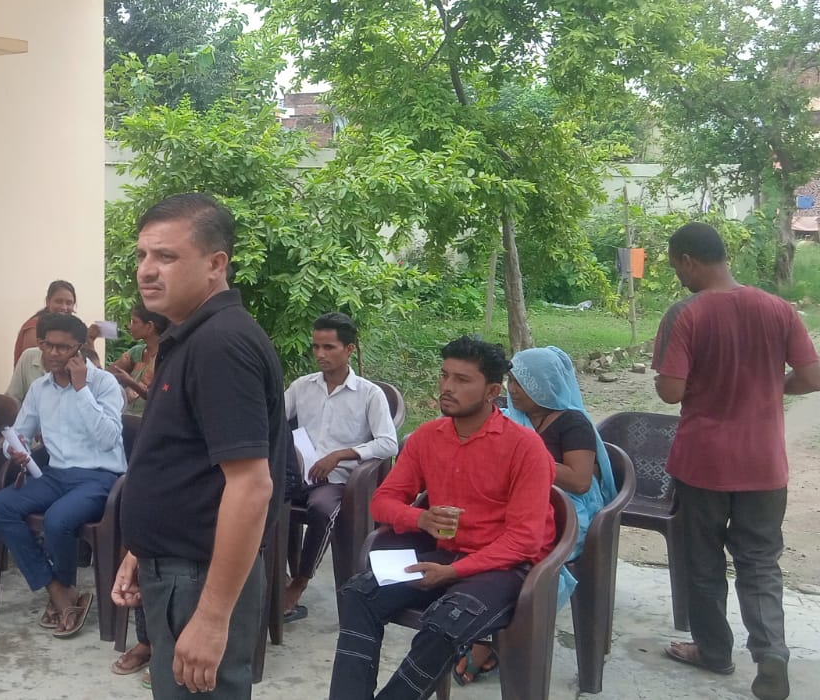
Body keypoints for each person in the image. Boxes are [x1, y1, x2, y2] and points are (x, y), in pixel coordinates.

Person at [112, 193, 287, 699]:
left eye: (166, 256)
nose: (147, 270)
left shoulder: (220, 345)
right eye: (142, 255)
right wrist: (142, 549)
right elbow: (183, 462)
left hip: (200, 579)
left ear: (216, 264)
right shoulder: (190, 336)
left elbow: (251, 487)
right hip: (178, 569)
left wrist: (211, 618)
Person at [328, 337, 557, 700]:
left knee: (444, 622)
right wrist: (421, 519)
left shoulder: (524, 447)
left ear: (492, 391)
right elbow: (383, 502)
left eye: (462, 380)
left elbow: (524, 541)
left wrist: (453, 571)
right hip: (447, 554)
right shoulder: (427, 437)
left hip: (506, 567)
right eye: (444, 375)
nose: (447, 387)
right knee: (359, 594)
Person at [651, 222, 820, 700]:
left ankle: (713, 652)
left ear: (688, 260)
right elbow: (812, 377)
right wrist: (772, 384)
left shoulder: (685, 314)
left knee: (703, 561)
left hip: (703, 463)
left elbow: (670, 391)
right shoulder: (778, 308)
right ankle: (771, 655)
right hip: (764, 465)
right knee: (760, 562)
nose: (678, 275)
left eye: (676, 266)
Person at [456, 344, 617, 684]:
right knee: (474, 536)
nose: (513, 389)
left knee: (520, 554)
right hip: (518, 503)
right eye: (511, 381)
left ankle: (490, 639)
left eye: (521, 383)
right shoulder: (513, 417)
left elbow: (580, 480)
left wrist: (527, 458)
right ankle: (478, 621)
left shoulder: (572, 423)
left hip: (568, 513)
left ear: (544, 385)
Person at [0, 312, 126, 637]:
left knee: (57, 520)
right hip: (56, 474)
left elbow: (108, 439)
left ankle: (63, 591)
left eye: (62, 348)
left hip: (99, 477)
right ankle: (59, 590)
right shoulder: (40, 388)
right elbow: (19, 434)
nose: (53, 353)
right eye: (47, 345)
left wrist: (81, 389)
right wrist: (15, 449)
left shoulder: (103, 383)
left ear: (79, 349)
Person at [279, 313, 398, 624]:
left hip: (338, 481)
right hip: (297, 474)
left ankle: (299, 581)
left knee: (322, 509)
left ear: (349, 349)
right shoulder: (302, 386)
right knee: (258, 496)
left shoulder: (369, 394)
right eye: (316, 347)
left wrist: (341, 455)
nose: (320, 354)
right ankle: (270, 576)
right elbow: (273, 419)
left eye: (329, 347)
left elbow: (388, 443)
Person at [107, 303, 170, 414]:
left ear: (149, 326)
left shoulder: (168, 356)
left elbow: (162, 396)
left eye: (134, 322)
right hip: (127, 418)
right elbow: (107, 375)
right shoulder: (136, 352)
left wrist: (130, 382)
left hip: (151, 419)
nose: (130, 326)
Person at [14, 279, 79, 363]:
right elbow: (34, 365)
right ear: (48, 302)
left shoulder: (72, 329)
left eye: (69, 303)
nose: (64, 307)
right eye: (58, 301)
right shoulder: (34, 328)